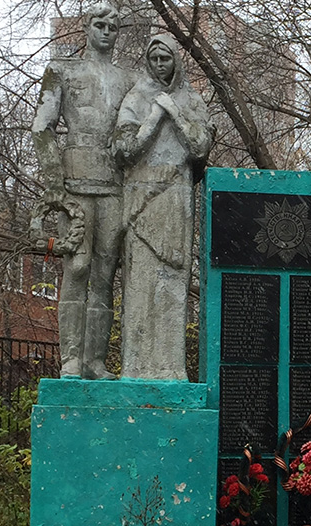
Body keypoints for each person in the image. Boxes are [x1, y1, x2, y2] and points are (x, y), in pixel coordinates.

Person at [32, 1, 133, 379]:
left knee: (105, 275)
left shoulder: (130, 80)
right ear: (86, 28)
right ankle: (71, 359)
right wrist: (54, 181)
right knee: (78, 267)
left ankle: (95, 361)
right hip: (74, 182)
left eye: (113, 27)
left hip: (114, 184)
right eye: (99, 25)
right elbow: (42, 128)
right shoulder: (61, 70)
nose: (106, 32)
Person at [114, 34, 213, 380]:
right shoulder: (136, 97)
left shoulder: (192, 100)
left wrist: (176, 113)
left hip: (175, 198)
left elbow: (200, 148)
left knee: (172, 281)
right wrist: (154, 117)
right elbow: (124, 150)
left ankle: (171, 368)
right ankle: (136, 367)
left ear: (176, 61)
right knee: (140, 285)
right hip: (140, 202)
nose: (159, 64)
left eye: (165, 58)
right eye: (154, 58)